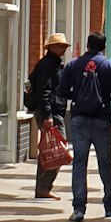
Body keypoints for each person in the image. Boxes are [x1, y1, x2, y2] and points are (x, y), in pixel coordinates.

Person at [58, 31, 111, 222]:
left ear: (87, 45)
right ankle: (109, 205)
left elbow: (61, 91)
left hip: (78, 120)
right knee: (105, 164)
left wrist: (77, 96)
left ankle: (79, 208)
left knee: (79, 163)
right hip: (102, 120)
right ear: (104, 47)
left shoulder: (73, 65)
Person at [29, 32, 69, 199]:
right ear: (51, 47)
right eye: (60, 45)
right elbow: (44, 91)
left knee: (48, 149)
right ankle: (44, 186)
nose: (63, 48)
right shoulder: (47, 65)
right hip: (50, 112)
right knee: (59, 151)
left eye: (65, 46)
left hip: (53, 111)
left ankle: (42, 187)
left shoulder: (55, 64)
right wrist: (47, 116)